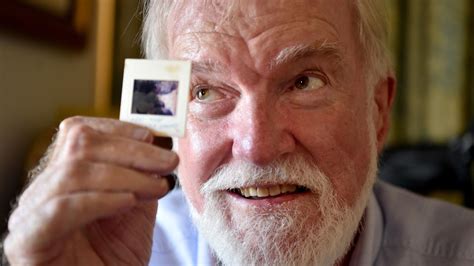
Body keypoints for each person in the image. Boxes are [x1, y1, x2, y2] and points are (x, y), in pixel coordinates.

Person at [3, 0, 474, 265]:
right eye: (206, 92)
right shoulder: (107, 251)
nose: (257, 146)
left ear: (377, 111)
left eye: (304, 81)